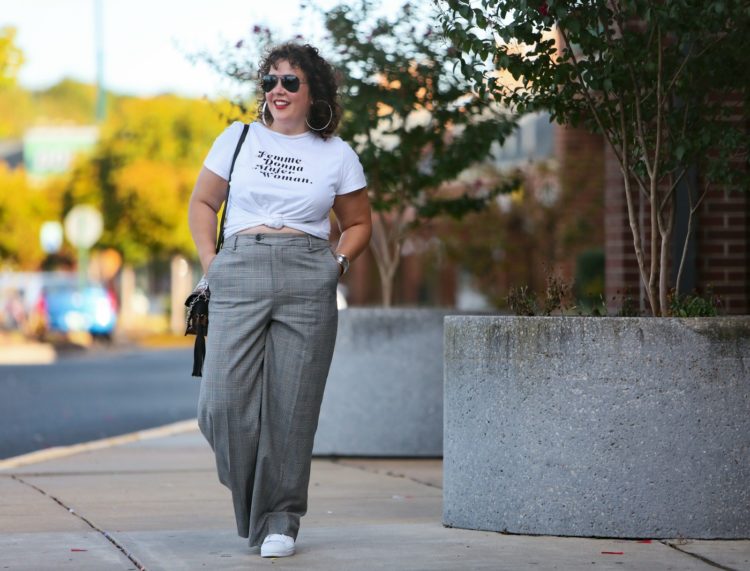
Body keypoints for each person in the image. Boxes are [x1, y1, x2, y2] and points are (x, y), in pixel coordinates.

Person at [188, 43, 371, 558]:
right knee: (220, 405)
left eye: (290, 81)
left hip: (308, 273)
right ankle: (259, 508)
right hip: (240, 267)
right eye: (270, 81)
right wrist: (212, 263)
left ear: (313, 90)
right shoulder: (238, 139)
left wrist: (335, 266)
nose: (278, 90)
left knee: (292, 409)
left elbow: (359, 223)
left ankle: (281, 520)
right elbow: (203, 201)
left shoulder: (336, 153)